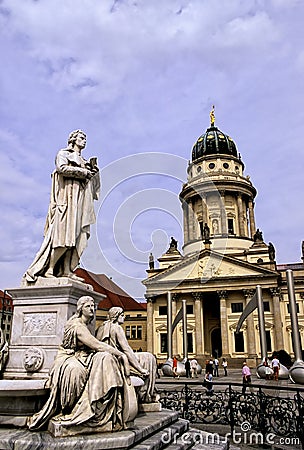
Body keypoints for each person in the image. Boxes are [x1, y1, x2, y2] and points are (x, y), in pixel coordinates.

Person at [28, 296, 132, 432]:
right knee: (86, 366)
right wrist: (121, 355)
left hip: (81, 357)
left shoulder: (85, 324)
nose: (92, 309)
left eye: (92, 306)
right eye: (88, 306)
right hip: (69, 359)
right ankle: (82, 409)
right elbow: (97, 345)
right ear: (80, 309)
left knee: (104, 359)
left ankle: (98, 408)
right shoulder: (77, 326)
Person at [24, 130, 100, 283]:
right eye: (82, 138)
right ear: (73, 139)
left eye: (85, 138)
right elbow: (61, 168)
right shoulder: (64, 153)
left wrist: (94, 172)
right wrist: (83, 172)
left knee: (76, 237)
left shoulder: (84, 160)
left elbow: (95, 187)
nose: (84, 141)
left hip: (80, 202)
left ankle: (66, 270)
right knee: (64, 237)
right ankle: (50, 269)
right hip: (67, 201)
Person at [96, 307, 158, 403]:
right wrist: (140, 369)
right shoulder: (117, 328)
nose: (124, 317)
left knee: (146, 356)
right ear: (116, 316)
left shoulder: (102, 327)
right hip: (118, 359)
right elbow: (127, 350)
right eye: (122, 315)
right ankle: (145, 395)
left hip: (108, 358)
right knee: (149, 358)